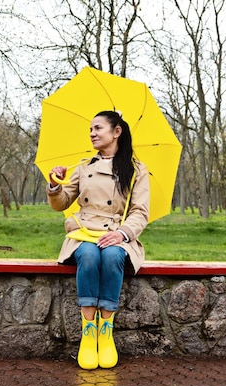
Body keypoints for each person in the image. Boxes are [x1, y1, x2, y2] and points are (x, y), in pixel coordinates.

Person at [47, 110, 150, 370]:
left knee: (114, 255)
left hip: (116, 231)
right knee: (90, 255)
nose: (92, 133)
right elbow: (61, 204)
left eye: (98, 128)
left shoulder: (136, 169)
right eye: (90, 129)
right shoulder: (84, 166)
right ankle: (88, 330)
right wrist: (55, 184)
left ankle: (106, 331)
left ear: (117, 132)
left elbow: (140, 212)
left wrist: (122, 234)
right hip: (84, 230)